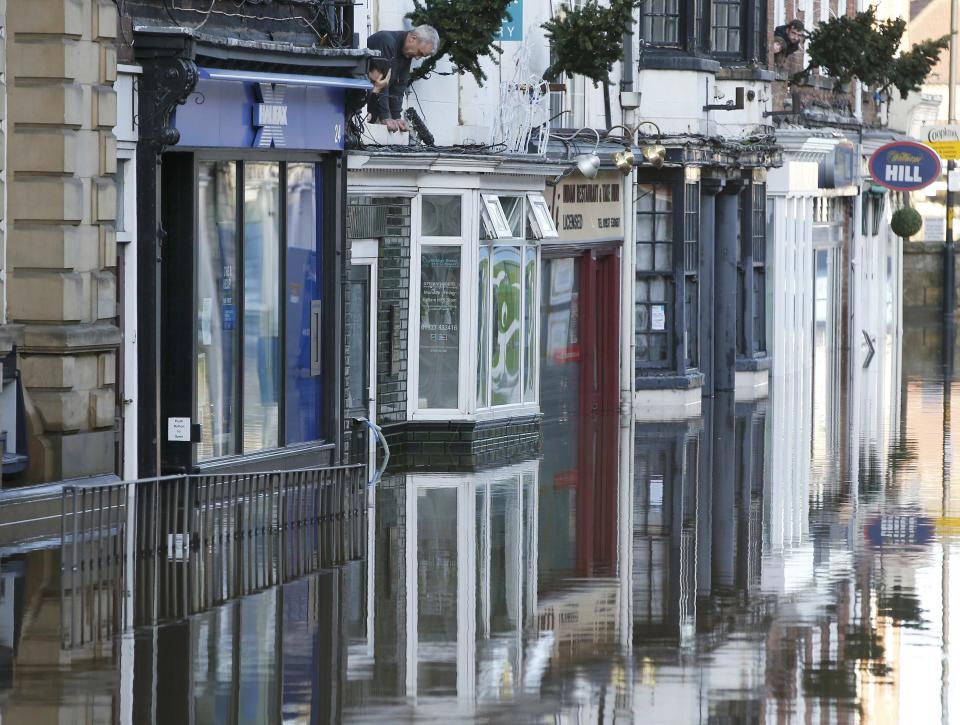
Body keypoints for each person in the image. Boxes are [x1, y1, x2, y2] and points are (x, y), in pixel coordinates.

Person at [366, 25, 440, 132]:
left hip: (370, 109)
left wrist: (396, 117)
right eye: (420, 52)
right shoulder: (386, 41)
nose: (417, 57)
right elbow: (381, 82)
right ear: (412, 39)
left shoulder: (407, 52)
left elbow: (399, 86)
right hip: (358, 106)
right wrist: (386, 116)